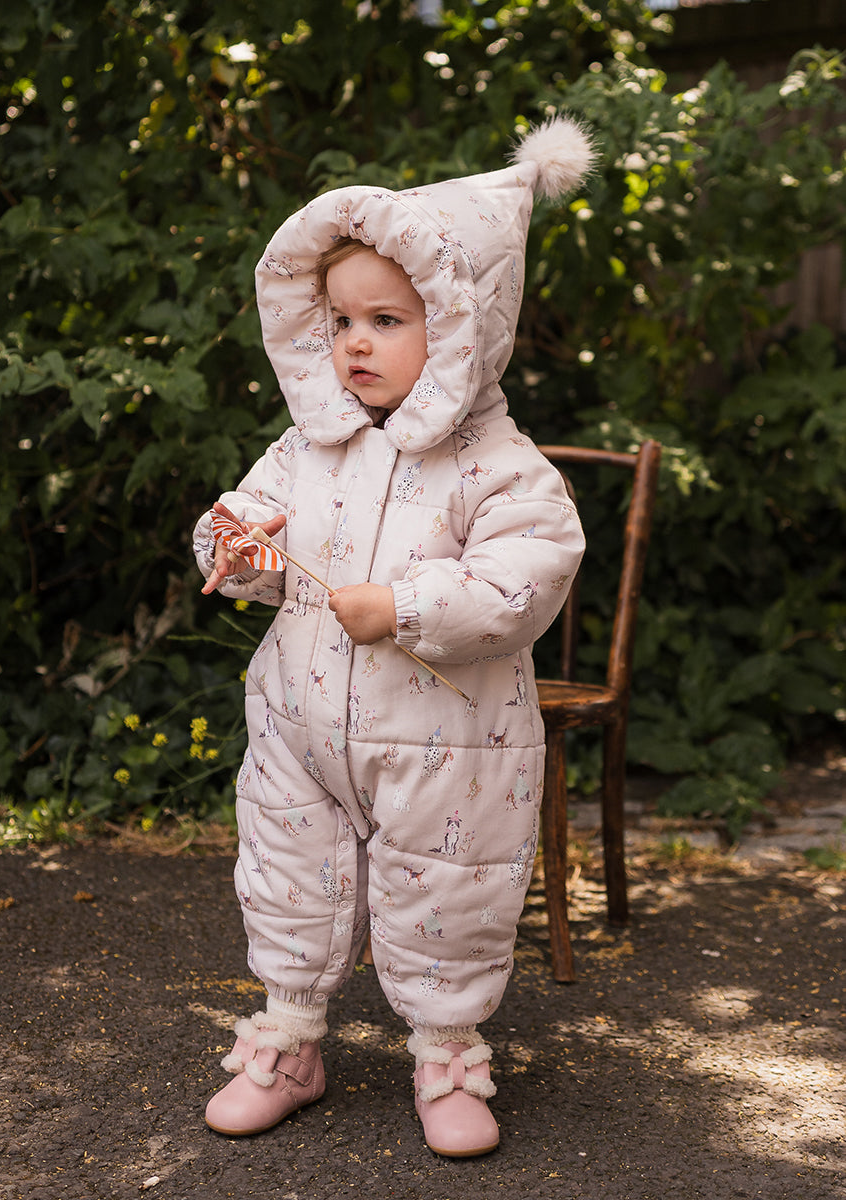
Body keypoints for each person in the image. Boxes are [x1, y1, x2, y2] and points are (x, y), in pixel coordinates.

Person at [193, 117, 593, 1157]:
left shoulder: (500, 465)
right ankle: (289, 1039)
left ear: (460, 330)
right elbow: (248, 518)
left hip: (450, 743)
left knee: (448, 889)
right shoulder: (307, 446)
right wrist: (237, 548)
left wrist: (406, 608)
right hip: (298, 725)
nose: (355, 343)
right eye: (339, 321)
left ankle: (447, 1055)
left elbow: (527, 577)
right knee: (287, 874)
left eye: (387, 319)